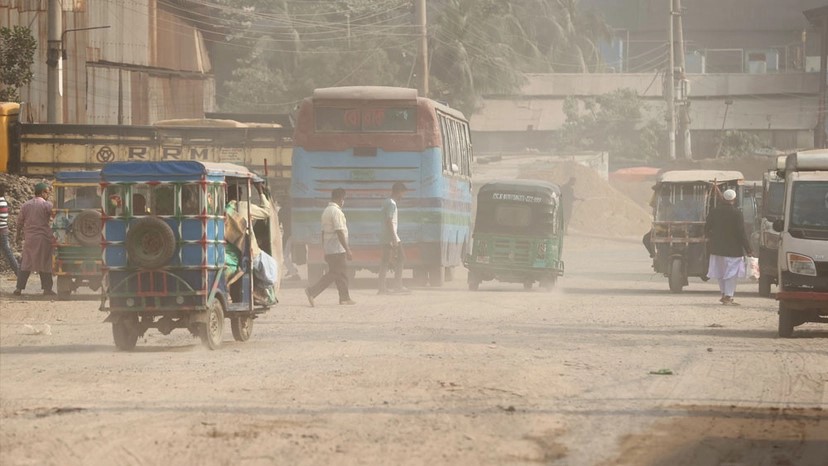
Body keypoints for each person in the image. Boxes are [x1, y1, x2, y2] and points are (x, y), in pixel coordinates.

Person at [305, 188, 355, 306]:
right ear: (340, 198)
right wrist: (347, 249)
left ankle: (344, 298)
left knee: (341, 273)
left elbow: (323, 232)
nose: (344, 201)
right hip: (337, 248)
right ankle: (312, 291)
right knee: (335, 273)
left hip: (330, 248)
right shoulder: (336, 212)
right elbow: (339, 231)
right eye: (343, 199)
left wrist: (324, 247)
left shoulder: (326, 211)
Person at [705, 188, 753, 305]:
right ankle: (728, 296)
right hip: (733, 250)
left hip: (717, 248)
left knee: (721, 273)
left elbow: (707, 228)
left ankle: (723, 294)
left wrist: (712, 237)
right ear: (734, 199)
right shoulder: (737, 213)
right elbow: (741, 233)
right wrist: (748, 249)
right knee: (731, 274)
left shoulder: (714, 211)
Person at [14, 182, 55, 296]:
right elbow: (56, 217)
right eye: (47, 192)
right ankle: (47, 289)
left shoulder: (26, 205)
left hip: (30, 239)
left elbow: (19, 223)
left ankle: (19, 288)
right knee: (45, 263)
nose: (48, 194)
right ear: (42, 192)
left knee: (26, 263)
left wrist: (18, 236)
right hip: (43, 238)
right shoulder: (47, 205)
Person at [378, 182, 409, 294]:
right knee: (388, 260)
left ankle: (393, 286)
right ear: (398, 192)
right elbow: (389, 220)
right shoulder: (392, 204)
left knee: (397, 258)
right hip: (390, 236)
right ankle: (387, 288)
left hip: (388, 235)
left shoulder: (386, 201)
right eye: (402, 193)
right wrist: (394, 238)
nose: (403, 196)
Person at [277, 196, 301, 281]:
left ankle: (294, 273)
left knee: (285, 256)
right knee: (291, 254)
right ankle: (292, 269)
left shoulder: (282, 211)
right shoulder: (293, 210)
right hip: (296, 234)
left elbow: (277, 223)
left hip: (288, 235)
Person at [0, 184, 20, 276]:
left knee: (7, 252)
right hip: (3, 230)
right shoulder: (3, 201)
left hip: (1, 231)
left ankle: (18, 272)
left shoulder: (1, 202)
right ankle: (18, 272)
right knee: (7, 252)